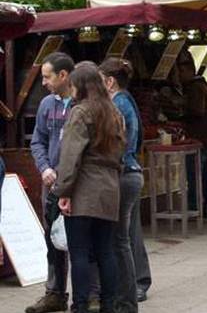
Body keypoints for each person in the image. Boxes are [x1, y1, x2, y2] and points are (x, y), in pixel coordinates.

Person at [52, 65, 126, 313]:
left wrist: (63, 191)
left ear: (80, 85)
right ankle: (110, 304)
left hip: (84, 187)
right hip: (110, 187)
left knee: (80, 252)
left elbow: (71, 155)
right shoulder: (115, 113)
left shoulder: (80, 112)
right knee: (106, 251)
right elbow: (122, 153)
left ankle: (80, 305)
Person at [99, 58, 148, 312]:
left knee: (119, 240)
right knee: (123, 238)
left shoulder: (118, 103)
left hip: (123, 173)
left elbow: (120, 145)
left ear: (109, 81)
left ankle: (126, 298)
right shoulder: (125, 101)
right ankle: (127, 295)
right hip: (131, 171)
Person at [27, 52, 75, 313]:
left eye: (47, 77)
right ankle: (54, 293)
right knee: (52, 240)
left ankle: (87, 295)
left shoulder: (82, 103)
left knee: (80, 241)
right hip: (51, 185)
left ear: (63, 75)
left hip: (77, 186)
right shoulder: (46, 104)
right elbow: (37, 141)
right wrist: (44, 167)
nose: (44, 82)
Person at [177, 51, 207, 217]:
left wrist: (181, 114)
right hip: (205, 137)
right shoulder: (202, 86)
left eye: (180, 72)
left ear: (187, 71)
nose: (178, 77)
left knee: (195, 175)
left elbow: (197, 111)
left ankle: (195, 208)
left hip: (197, 137)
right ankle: (206, 207)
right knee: (204, 175)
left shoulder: (194, 88)